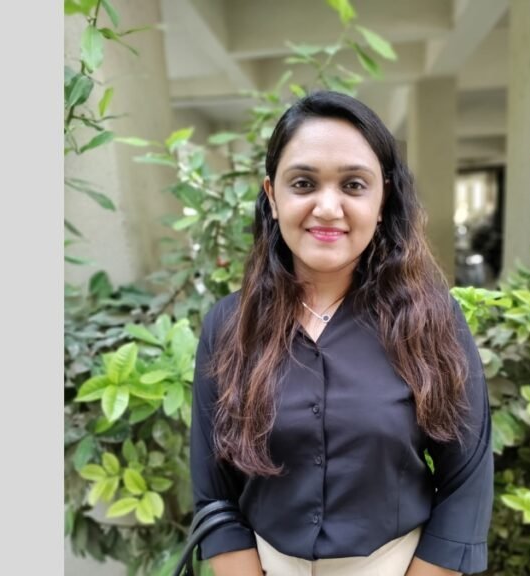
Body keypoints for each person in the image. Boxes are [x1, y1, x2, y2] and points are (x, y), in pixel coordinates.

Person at [190, 90, 493, 576]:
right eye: (303, 183)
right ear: (272, 195)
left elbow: (467, 484)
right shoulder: (228, 325)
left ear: (382, 199)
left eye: (353, 185)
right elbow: (214, 489)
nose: (328, 208)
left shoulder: (433, 320)